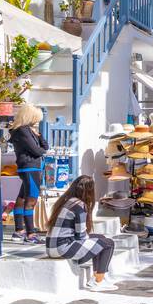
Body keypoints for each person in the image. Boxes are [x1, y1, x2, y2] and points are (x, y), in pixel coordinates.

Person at [46, 175, 115, 288]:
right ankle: (99, 281)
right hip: (61, 249)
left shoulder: (66, 201)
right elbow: (81, 236)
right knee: (108, 243)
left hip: (52, 247)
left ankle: (95, 276)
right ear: (89, 191)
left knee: (100, 238)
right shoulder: (79, 205)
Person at [9, 103, 49, 244]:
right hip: (30, 168)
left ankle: (19, 230)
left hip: (28, 168)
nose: (37, 122)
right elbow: (38, 151)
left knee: (21, 199)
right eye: (36, 118)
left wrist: (39, 135)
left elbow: (45, 146)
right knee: (31, 201)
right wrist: (42, 150)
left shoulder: (26, 130)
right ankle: (30, 234)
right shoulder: (22, 131)